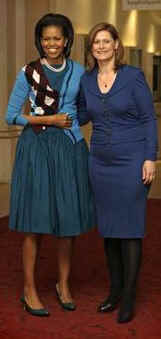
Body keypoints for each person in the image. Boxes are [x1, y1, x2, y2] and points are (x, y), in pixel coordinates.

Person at [6, 13, 95, 317]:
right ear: (40, 41)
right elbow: (10, 116)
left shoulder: (79, 72)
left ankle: (63, 284)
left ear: (67, 40)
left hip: (69, 149)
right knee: (35, 222)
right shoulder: (28, 72)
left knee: (67, 223)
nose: (52, 43)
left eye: (57, 38)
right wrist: (48, 119)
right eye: (46, 38)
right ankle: (29, 289)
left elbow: (84, 111)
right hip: (37, 148)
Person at [78, 22, 158, 323]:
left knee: (130, 229)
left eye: (105, 41)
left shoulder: (133, 77)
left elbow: (149, 120)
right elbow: (83, 114)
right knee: (110, 231)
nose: (100, 46)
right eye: (95, 42)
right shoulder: (87, 80)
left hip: (132, 160)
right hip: (100, 162)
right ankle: (114, 292)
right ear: (92, 48)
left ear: (116, 45)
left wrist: (150, 158)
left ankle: (128, 296)